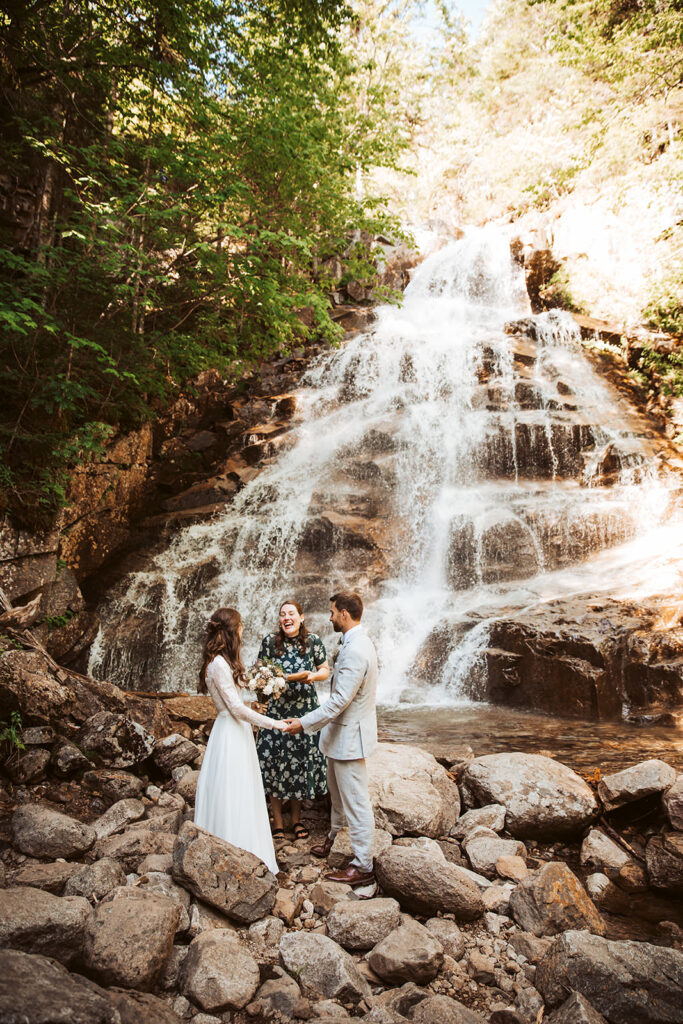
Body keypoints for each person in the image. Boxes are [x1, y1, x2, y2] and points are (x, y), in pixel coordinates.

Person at [283, 591, 378, 886]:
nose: (330, 617)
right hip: (340, 738)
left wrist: (303, 723)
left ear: (345, 614)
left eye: (333, 612)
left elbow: (339, 702)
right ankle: (335, 842)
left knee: (356, 802)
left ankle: (363, 865)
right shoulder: (355, 643)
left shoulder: (355, 650)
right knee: (337, 798)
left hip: (351, 739)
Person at [194, 607, 286, 875]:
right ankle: (235, 852)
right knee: (234, 791)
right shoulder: (219, 664)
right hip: (231, 733)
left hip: (233, 730)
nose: (243, 630)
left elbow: (233, 704)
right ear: (231, 630)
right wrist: (274, 724)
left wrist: (253, 707)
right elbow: (234, 709)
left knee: (237, 789)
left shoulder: (220, 662)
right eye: (241, 625)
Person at [255, 599, 330, 846]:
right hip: (276, 711)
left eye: (291, 613)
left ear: (301, 617)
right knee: (275, 763)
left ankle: (296, 819)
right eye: (282, 614)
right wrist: (259, 702)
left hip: (304, 711)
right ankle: (277, 821)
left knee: (299, 763)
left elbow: (325, 670)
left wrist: (312, 676)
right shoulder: (269, 642)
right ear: (279, 619)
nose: (286, 617)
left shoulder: (313, 641)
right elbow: (259, 675)